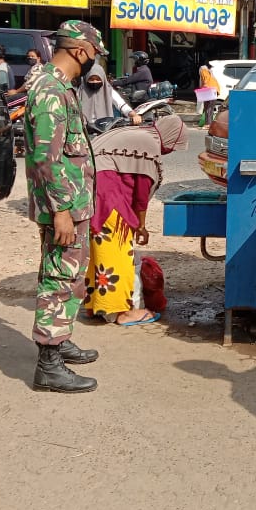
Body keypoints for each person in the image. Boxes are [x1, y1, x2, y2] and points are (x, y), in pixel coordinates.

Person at [24, 20, 108, 394]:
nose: (95, 61)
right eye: (93, 54)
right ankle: (49, 362)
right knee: (59, 278)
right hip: (64, 207)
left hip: (72, 203)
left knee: (70, 276)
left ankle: (61, 339)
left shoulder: (61, 88)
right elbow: (45, 157)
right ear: (79, 51)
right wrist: (60, 210)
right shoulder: (50, 92)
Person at [82, 115, 189, 325]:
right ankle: (121, 312)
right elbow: (141, 194)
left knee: (99, 252)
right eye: (173, 145)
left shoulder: (133, 133)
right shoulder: (148, 144)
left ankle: (97, 305)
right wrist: (141, 226)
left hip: (88, 195)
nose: (170, 150)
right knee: (118, 256)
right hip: (108, 199)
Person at [78, 60, 142, 126]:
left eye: (98, 79)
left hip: (106, 128)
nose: (95, 81)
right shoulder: (79, 92)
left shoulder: (108, 91)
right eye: (91, 79)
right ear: (86, 79)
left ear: (103, 79)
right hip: (84, 130)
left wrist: (134, 115)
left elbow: (121, 105)